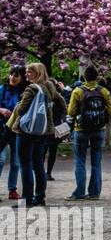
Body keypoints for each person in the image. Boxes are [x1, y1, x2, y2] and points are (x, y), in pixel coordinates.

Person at [5, 62, 66, 207]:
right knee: (38, 164)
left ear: (37, 73)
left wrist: (19, 104)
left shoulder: (32, 88)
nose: (26, 75)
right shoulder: (50, 87)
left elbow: (20, 110)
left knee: (25, 164)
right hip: (43, 131)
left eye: (29, 72)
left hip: (26, 131)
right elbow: (62, 104)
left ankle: (27, 199)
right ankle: (40, 197)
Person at [64, 66, 111, 201]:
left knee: (80, 160)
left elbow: (71, 112)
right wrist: (107, 127)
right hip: (99, 130)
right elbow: (110, 111)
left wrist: (70, 127)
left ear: (84, 77)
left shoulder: (78, 91)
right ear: (97, 77)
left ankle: (79, 192)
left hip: (81, 130)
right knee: (96, 162)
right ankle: (94, 193)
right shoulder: (104, 91)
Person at [0, 65, 26, 200]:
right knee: (1, 159)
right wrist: (1, 110)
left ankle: (12, 190)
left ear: (22, 78)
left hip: (17, 131)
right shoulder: (2, 89)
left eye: (16, 75)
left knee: (16, 162)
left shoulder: (24, 92)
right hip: (2, 129)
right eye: (11, 74)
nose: (12, 77)